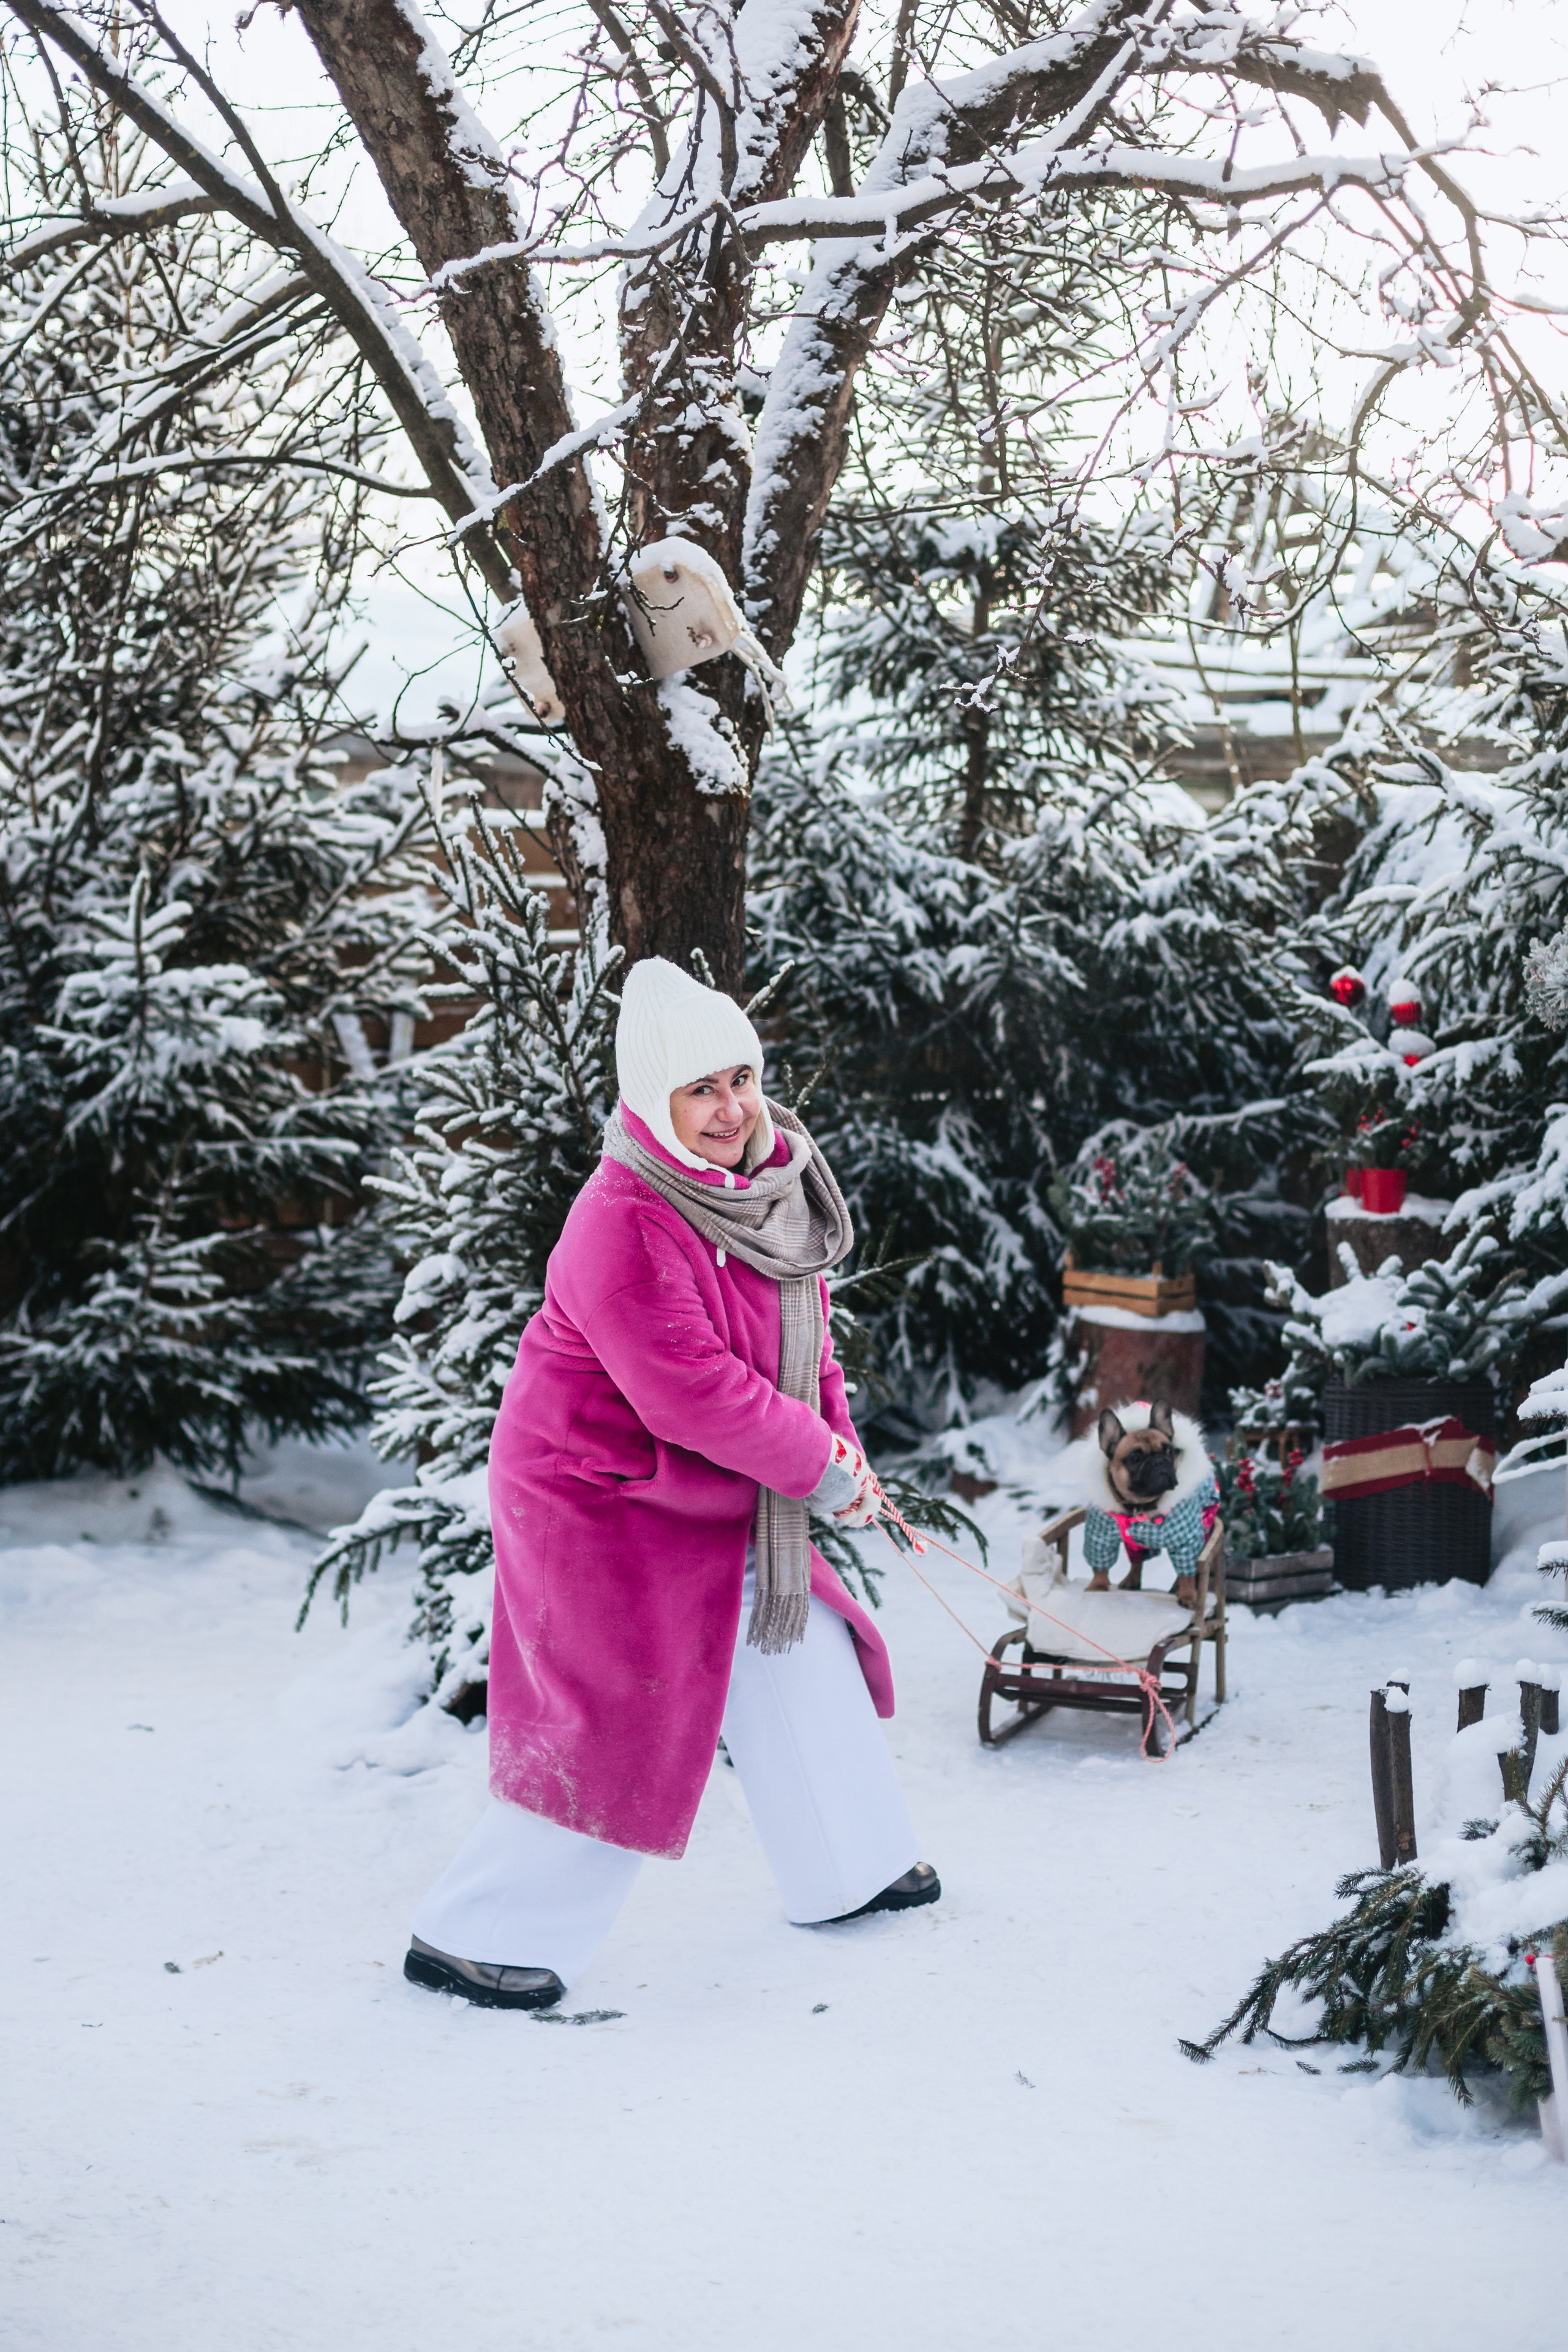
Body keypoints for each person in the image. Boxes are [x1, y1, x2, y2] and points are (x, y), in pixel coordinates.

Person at [404, 956, 938, 2010]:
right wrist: (817, 1469)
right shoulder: (625, 1217)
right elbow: (689, 1392)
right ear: (656, 1101)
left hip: (715, 1489)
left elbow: (804, 1351)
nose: (733, 1107)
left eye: (740, 1076)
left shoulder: (769, 1194)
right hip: (600, 1496)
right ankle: (473, 1936)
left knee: (797, 1638)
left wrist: (843, 1455)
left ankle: (850, 1865)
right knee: (619, 1705)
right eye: (702, 1088)